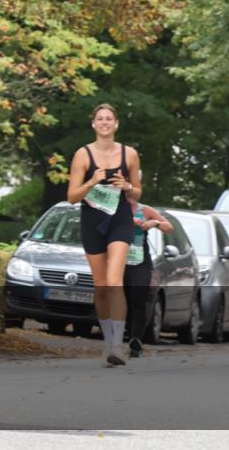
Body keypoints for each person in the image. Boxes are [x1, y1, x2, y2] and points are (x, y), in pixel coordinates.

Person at [67, 104, 142, 367]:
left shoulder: (129, 154)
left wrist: (128, 186)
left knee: (114, 281)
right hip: (92, 220)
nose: (104, 122)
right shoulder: (83, 155)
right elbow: (72, 197)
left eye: (109, 119)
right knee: (101, 287)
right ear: (93, 124)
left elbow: (137, 193)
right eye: (100, 119)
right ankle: (108, 343)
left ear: (116, 124)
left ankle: (118, 346)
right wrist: (91, 182)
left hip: (119, 219)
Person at [125, 202, 172, 358]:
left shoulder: (144, 210)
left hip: (140, 262)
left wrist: (155, 223)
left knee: (138, 299)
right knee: (122, 299)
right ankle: (121, 336)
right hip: (118, 261)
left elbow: (169, 227)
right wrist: (126, 221)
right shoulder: (114, 207)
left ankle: (135, 340)